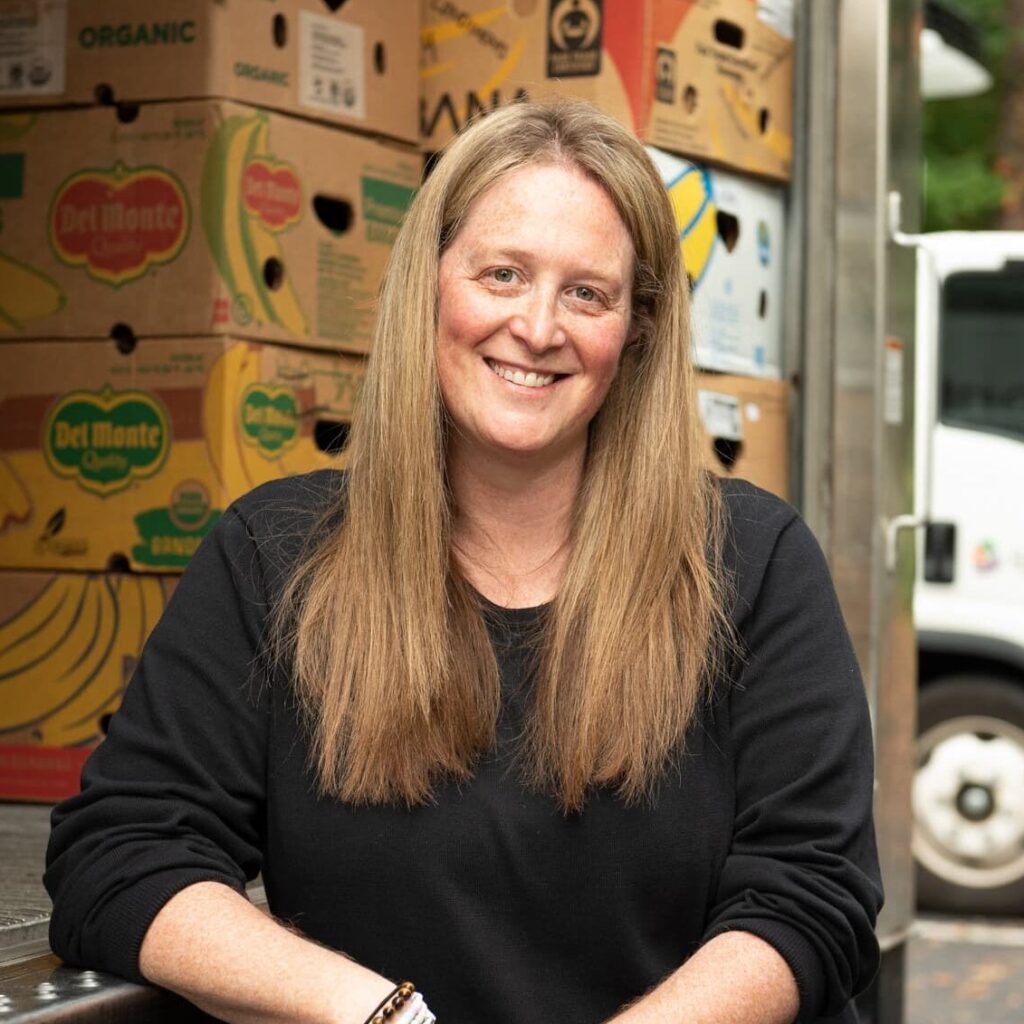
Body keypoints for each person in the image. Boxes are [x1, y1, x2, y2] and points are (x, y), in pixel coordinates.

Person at [45, 99, 883, 1024]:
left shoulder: (751, 564)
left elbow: (815, 891)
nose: (536, 326)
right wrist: (376, 1012)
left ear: (635, 331)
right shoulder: (273, 558)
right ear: (430, 283)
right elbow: (120, 855)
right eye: (503, 273)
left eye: (587, 293)